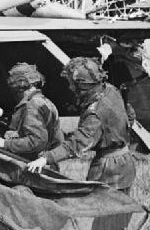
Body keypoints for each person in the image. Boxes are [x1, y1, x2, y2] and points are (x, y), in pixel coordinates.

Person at [26, 57, 136, 193]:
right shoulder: (111, 90)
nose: (70, 88)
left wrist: (46, 158)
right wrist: (116, 133)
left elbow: (77, 143)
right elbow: (130, 115)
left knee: (107, 210)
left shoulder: (95, 112)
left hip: (110, 170)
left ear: (83, 84)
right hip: (124, 161)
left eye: (73, 84)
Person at [0, 62, 63, 160]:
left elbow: (36, 141)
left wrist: (5, 144)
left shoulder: (32, 105)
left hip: (31, 165)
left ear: (17, 87)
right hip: (45, 163)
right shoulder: (45, 102)